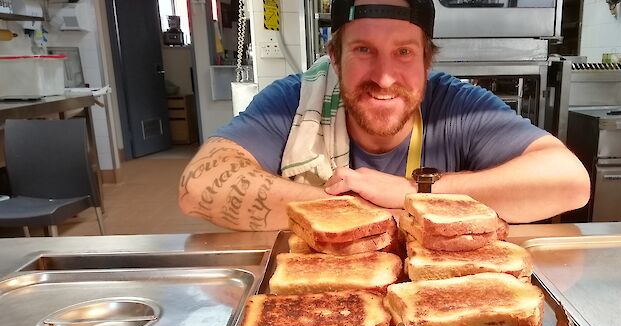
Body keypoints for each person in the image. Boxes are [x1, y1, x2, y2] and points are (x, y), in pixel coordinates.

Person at [178, 0, 589, 231]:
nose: (385, 77)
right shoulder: (294, 101)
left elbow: (569, 182)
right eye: (363, 50)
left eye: (404, 52)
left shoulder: (459, 107)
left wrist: (416, 196)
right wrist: (357, 214)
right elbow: (198, 186)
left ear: (427, 61)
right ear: (335, 59)